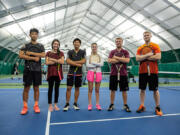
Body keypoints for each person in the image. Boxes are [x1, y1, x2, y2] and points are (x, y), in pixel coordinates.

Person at [19, 28, 45, 115]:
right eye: (32, 34)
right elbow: (20, 55)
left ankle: (36, 105)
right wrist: (33, 58)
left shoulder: (41, 46)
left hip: (37, 70)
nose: (34, 35)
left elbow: (43, 54)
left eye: (35, 34)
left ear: (37, 35)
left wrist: (31, 53)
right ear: (29, 35)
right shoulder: (25, 45)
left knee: (36, 88)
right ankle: (25, 107)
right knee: (26, 88)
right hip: (28, 70)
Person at [136, 31, 163, 116]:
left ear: (151, 36)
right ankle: (142, 105)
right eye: (144, 35)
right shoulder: (140, 48)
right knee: (142, 90)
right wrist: (148, 55)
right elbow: (137, 59)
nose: (146, 36)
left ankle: (157, 107)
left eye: (147, 35)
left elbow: (158, 57)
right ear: (143, 37)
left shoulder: (155, 46)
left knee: (155, 90)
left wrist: (143, 57)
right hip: (142, 71)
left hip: (153, 71)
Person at [107, 37, 131, 112]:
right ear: (115, 42)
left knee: (124, 90)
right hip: (113, 73)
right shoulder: (112, 52)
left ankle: (125, 105)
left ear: (122, 42)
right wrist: (121, 59)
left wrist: (116, 58)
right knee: (112, 90)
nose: (118, 42)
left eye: (119, 41)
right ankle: (111, 104)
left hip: (123, 74)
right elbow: (110, 61)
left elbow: (127, 60)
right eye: (117, 41)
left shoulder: (125, 52)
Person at [63, 38, 86, 111]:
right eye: (75, 42)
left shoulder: (83, 52)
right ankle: (67, 103)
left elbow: (84, 60)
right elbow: (67, 60)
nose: (76, 43)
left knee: (77, 88)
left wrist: (74, 62)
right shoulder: (70, 52)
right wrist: (77, 64)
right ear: (73, 44)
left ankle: (75, 103)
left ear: (80, 44)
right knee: (68, 88)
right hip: (71, 73)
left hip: (79, 74)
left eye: (78, 42)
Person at [46, 39, 64, 112]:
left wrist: (52, 60)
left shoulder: (61, 53)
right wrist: (57, 61)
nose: (56, 45)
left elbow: (62, 62)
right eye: (54, 44)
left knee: (57, 89)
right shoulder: (48, 53)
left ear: (59, 45)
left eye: (57, 44)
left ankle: (55, 104)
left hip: (58, 73)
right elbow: (47, 63)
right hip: (50, 73)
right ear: (52, 44)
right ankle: (50, 105)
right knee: (50, 89)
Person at [86, 43, 104, 111]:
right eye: (93, 47)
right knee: (90, 90)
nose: (94, 48)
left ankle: (97, 104)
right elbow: (87, 65)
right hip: (90, 73)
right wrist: (97, 64)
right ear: (91, 48)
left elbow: (101, 64)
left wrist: (93, 63)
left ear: (97, 48)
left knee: (97, 90)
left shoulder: (100, 56)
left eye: (95, 47)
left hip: (98, 73)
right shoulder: (88, 56)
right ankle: (90, 104)